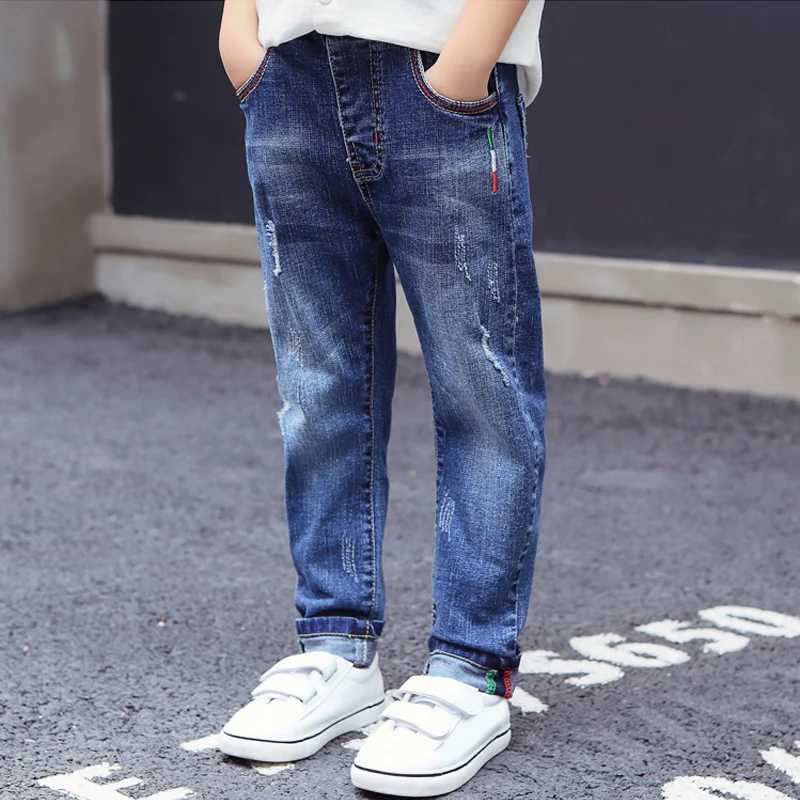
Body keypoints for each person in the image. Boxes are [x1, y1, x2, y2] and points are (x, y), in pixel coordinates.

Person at [217, 0, 547, 795]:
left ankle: (471, 667)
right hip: (289, 73)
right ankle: (335, 646)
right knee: (317, 391)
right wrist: (240, 37)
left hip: (439, 74)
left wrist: (463, 65)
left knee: (482, 393)